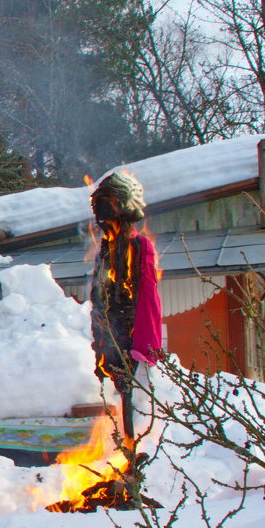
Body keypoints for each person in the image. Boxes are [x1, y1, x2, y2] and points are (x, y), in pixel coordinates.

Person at [89, 170, 162, 441]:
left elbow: (148, 295)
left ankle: (132, 450)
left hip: (127, 333)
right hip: (107, 332)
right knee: (115, 395)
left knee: (131, 398)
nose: (104, 223)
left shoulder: (139, 247)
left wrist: (147, 346)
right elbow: (98, 297)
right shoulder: (105, 250)